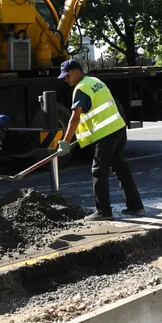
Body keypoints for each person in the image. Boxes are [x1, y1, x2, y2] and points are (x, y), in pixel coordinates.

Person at [55, 60, 144, 221]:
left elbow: (74, 119)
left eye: (67, 75)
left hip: (105, 134)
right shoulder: (95, 81)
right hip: (118, 128)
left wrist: (65, 142)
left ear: (76, 72)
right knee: (120, 167)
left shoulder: (81, 88)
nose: (65, 79)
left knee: (99, 171)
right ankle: (135, 206)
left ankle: (103, 211)